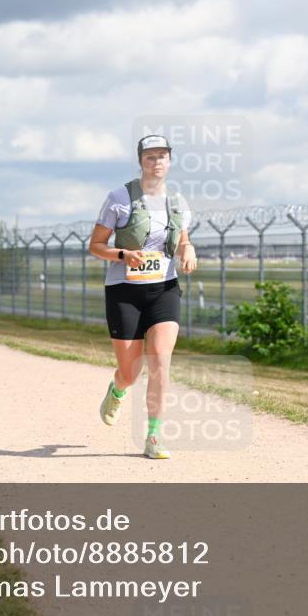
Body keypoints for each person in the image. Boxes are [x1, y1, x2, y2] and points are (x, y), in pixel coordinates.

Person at [89, 135, 198, 460]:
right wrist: (123, 254)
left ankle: (153, 436)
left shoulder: (177, 201)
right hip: (124, 292)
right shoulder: (119, 198)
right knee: (131, 371)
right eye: (150, 157)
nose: (156, 162)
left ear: (169, 160)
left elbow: (181, 238)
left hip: (164, 288)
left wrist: (187, 250)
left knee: (161, 361)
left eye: (162, 156)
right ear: (140, 161)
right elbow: (95, 245)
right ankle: (118, 389)